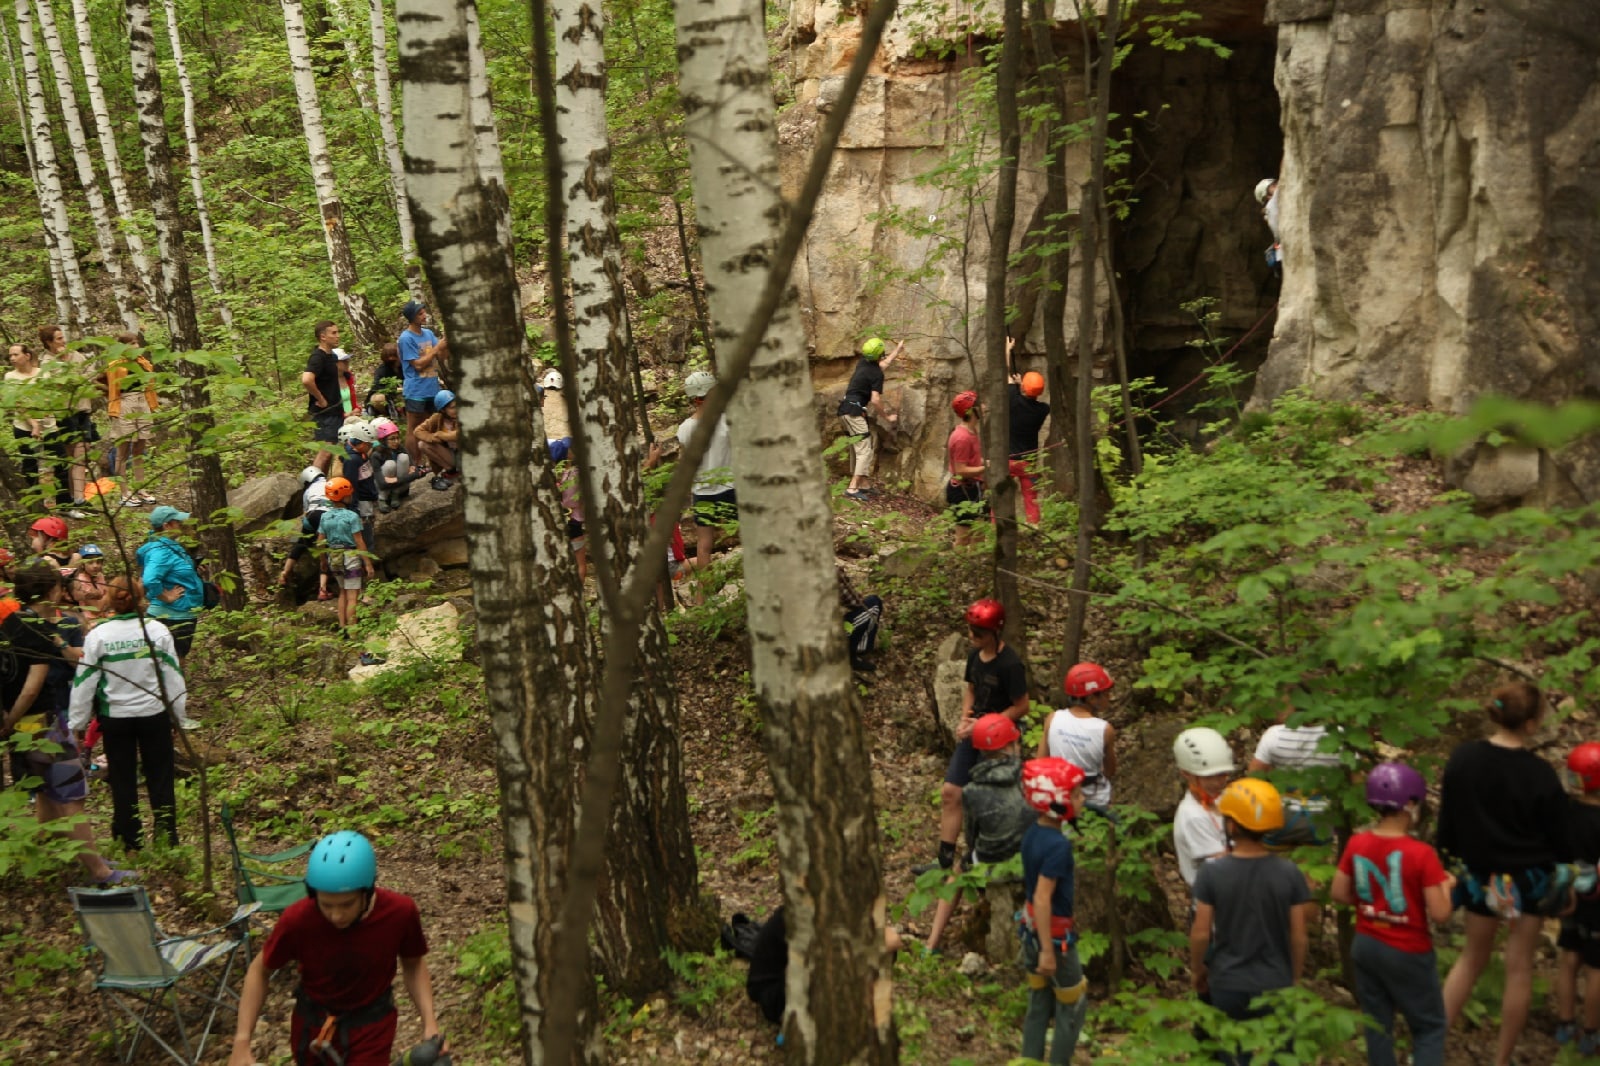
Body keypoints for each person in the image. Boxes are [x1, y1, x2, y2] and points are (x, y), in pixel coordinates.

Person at [1439, 682, 1573, 1066]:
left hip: (1481, 876)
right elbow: (1560, 838)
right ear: (1531, 724)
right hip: (1530, 880)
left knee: (1470, 959)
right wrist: (1563, 878)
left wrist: (1447, 859)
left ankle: (1431, 1048)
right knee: (1519, 968)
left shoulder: (1463, 760)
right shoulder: (1541, 775)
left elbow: (1449, 821)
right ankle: (1502, 1059)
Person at [228, 831, 444, 1066]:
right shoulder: (298, 919)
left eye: (347, 904)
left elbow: (413, 965)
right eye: (326, 905)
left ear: (367, 891)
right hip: (312, 1026)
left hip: (371, 1027)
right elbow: (260, 970)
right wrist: (242, 1041)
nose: (336, 915)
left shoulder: (399, 913)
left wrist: (429, 1023)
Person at [4, 563, 125, 881]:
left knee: (43, 790)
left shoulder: (11, 624)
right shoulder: (41, 634)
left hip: (20, 731)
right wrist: (11, 719)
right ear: (50, 591)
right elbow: (32, 689)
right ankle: (99, 871)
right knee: (72, 796)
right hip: (43, 724)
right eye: (58, 586)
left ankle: (49, 859)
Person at [1330, 762, 1452, 1066]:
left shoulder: (1357, 843)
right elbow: (1440, 913)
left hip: (1367, 944)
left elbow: (1339, 893)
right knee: (1429, 1026)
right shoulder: (1421, 853)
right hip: (1408, 950)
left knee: (1377, 1024)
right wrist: (1447, 886)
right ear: (1410, 804)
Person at [1190, 778, 1310, 1060]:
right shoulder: (1289, 873)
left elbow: (1201, 932)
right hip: (1276, 983)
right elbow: (1299, 935)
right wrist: (1295, 976)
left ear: (1231, 826)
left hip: (1227, 982)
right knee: (1279, 1055)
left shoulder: (1212, 873)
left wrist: (1198, 970)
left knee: (1232, 1055)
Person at [68, 575, 187, 850]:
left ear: (109, 599)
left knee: (122, 780)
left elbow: (84, 682)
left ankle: (129, 841)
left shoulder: (99, 635)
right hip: (154, 715)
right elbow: (173, 677)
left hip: (116, 719)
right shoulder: (156, 631)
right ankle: (167, 838)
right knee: (160, 777)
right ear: (141, 599)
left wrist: (77, 723)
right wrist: (179, 717)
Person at [915, 598, 1029, 876]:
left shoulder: (1010, 664)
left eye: (978, 633)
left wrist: (987, 723)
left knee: (986, 799)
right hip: (974, 732)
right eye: (970, 631)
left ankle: (979, 862)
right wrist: (965, 717)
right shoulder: (974, 656)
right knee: (951, 792)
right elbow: (971, 689)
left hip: (1000, 740)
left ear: (995, 632)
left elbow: (1022, 706)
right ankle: (944, 860)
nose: (972, 637)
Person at [925, 713, 1035, 953]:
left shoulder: (972, 790)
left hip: (990, 864)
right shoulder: (1031, 778)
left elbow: (973, 838)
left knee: (958, 869)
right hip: (1029, 861)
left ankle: (932, 942)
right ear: (1009, 746)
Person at [1017, 757, 1089, 1065]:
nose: (1082, 799)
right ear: (1056, 801)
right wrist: (1048, 950)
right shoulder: (1058, 846)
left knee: (1039, 999)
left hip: (1031, 928)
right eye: (1075, 794)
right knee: (1072, 1003)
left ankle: (1030, 1059)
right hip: (1054, 939)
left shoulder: (1033, 833)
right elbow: (1044, 897)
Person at [1248, 699, 1342, 847]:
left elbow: (1253, 778)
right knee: (1317, 865)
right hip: (1322, 818)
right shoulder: (1340, 736)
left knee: (1275, 862)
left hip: (1282, 816)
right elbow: (1355, 781)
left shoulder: (1275, 735)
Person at [1556, 742, 1600, 1055]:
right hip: (1597, 901)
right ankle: (1591, 1031)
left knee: (1570, 957)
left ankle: (1564, 1022)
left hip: (1569, 892)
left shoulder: (1565, 812)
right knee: (1596, 967)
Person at [676, 371, 736, 573]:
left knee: (704, 545)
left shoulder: (684, 429)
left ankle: (702, 598)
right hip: (730, 488)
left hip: (702, 493)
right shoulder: (726, 419)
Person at [1039, 662, 1117, 814]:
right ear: (1092, 698)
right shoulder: (1105, 729)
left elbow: (1040, 762)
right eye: (1106, 692)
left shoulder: (1052, 718)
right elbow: (1110, 770)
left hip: (1060, 797)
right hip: (1095, 799)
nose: (1110, 696)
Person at [137, 506, 204, 668]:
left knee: (167, 662)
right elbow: (150, 579)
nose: (180, 526)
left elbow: (168, 571)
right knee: (174, 663)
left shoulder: (165, 546)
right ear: (167, 526)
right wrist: (165, 596)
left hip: (178, 613)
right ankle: (175, 692)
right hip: (173, 616)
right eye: (177, 523)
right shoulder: (162, 550)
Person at [319, 476, 378, 661]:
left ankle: (343, 628)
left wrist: (323, 562)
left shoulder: (325, 516)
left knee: (343, 593)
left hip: (333, 557)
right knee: (353, 595)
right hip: (350, 557)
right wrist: (367, 563)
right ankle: (354, 634)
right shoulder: (352, 516)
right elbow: (359, 541)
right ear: (345, 496)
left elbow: (320, 542)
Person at [40, 324, 96, 517]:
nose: (63, 341)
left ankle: (77, 498)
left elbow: (89, 373)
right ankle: (76, 499)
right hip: (65, 412)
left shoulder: (75, 355)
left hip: (83, 408)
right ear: (49, 343)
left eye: (63, 337)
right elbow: (59, 384)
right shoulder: (47, 362)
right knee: (74, 456)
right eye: (58, 339)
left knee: (82, 454)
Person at [836, 336, 900, 500]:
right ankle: (852, 488)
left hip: (845, 410)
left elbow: (883, 365)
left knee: (858, 446)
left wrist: (897, 350)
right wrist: (887, 417)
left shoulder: (863, 363)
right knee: (865, 448)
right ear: (879, 354)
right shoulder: (877, 374)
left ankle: (863, 484)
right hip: (854, 412)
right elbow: (875, 400)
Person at [6, 342, 67, 510]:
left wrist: (40, 423)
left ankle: (65, 504)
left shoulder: (42, 374)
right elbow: (17, 403)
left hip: (48, 424)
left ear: (27, 355)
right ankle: (36, 506)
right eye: (10, 355)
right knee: (30, 465)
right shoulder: (10, 377)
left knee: (60, 463)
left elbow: (47, 398)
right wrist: (33, 424)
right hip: (23, 427)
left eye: (15, 354)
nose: (12, 358)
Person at [1172, 727, 1234, 889]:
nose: (1217, 782)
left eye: (1222, 775)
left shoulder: (1223, 797)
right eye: (1208, 777)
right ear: (1186, 774)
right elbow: (1223, 865)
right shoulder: (1193, 816)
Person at [103, 331, 160, 505]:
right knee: (123, 450)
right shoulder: (116, 365)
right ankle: (124, 492)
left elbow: (149, 384)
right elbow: (109, 387)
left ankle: (140, 489)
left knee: (139, 448)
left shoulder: (143, 363)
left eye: (136, 343)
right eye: (131, 344)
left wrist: (152, 405)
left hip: (142, 401)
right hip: (124, 403)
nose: (135, 347)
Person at [281, 466, 334, 599]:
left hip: (312, 516)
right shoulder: (330, 483)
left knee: (300, 543)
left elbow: (306, 511)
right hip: (328, 516)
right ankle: (322, 590)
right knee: (325, 551)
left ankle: (285, 572)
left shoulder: (308, 491)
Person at [398, 300, 442, 457]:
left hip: (433, 388)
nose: (424, 316)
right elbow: (417, 365)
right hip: (416, 390)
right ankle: (414, 463)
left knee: (432, 425)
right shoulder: (406, 338)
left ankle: (433, 460)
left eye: (424, 312)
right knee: (414, 428)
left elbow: (440, 354)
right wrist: (437, 348)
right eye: (420, 313)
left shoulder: (429, 334)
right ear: (412, 317)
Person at [303, 321, 346, 473]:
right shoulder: (317, 357)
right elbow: (307, 379)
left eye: (337, 332)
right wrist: (320, 398)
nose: (337, 336)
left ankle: (322, 484)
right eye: (333, 333)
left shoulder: (332, 356)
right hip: (324, 413)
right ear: (323, 337)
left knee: (330, 451)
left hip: (335, 410)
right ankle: (312, 486)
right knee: (325, 452)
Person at [339, 420, 383, 564]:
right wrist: (354, 511)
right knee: (366, 537)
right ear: (362, 443)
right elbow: (351, 487)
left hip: (368, 498)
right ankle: (367, 567)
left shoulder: (360, 455)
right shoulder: (351, 460)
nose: (371, 447)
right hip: (361, 504)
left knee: (368, 534)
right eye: (369, 444)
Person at [946, 390, 985, 546]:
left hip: (974, 487)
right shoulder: (962, 438)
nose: (984, 406)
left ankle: (975, 566)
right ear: (971, 410)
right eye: (979, 404)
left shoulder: (972, 432)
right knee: (963, 537)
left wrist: (987, 462)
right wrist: (985, 468)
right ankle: (956, 567)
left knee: (979, 534)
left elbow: (973, 461)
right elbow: (961, 470)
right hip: (962, 490)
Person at [837, 568, 883, 673]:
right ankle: (854, 653)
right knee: (874, 602)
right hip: (828, 632)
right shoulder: (830, 573)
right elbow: (855, 602)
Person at [414, 391, 461, 490]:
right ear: (443, 410)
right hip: (450, 454)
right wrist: (433, 438)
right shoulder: (437, 418)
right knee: (422, 444)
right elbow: (417, 431)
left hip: (464, 455)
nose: (456, 409)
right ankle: (450, 470)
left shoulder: (463, 416)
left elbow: (460, 434)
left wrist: (442, 435)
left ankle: (458, 469)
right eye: (452, 408)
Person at [370, 417, 415, 513]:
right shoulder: (376, 454)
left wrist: (411, 469)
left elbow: (414, 468)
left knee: (403, 457)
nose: (396, 442)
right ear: (383, 441)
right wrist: (407, 478)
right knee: (390, 464)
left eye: (397, 438)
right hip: (382, 485)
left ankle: (395, 494)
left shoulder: (400, 448)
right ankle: (382, 499)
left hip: (397, 485)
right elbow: (381, 481)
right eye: (392, 439)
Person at [69, 543, 108, 618]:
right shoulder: (81, 580)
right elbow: (96, 609)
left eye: (98, 562)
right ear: (83, 564)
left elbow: (105, 593)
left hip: (104, 616)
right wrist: (109, 595)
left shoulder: (100, 576)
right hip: (90, 620)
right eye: (90, 562)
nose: (95, 565)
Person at [1255, 177, 1281, 271]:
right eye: (1273, 186)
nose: (1277, 186)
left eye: (1275, 183)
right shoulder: (1271, 206)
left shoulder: (1273, 206)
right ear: (1267, 196)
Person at [368, 342, 403, 409]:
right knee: (379, 398)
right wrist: (395, 389)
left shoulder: (403, 368)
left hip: (402, 394)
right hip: (387, 395)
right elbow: (377, 386)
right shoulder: (382, 370)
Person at [335, 346, 362, 417]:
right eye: (344, 361)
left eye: (347, 360)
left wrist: (357, 409)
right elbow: (329, 409)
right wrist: (344, 415)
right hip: (338, 420)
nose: (347, 362)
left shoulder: (348, 377)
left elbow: (353, 400)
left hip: (352, 416)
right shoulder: (328, 382)